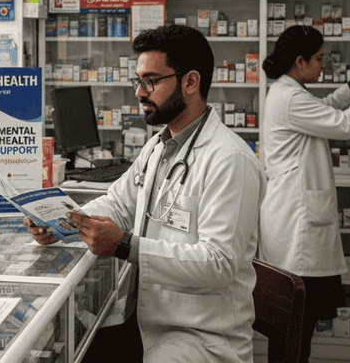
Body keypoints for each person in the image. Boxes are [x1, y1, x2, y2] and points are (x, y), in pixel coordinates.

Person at [27, 25, 266, 362]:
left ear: (191, 82)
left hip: (200, 339)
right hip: (145, 324)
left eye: (150, 81)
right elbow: (118, 203)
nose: (139, 92)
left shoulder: (230, 160)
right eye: (138, 81)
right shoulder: (159, 145)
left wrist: (125, 245)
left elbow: (219, 264)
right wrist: (60, 221)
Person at [258, 25, 350, 362]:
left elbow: (327, 109)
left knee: (294, 327)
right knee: (294, 330)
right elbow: (343, 124)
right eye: (319, 58)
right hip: (296, 229)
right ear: (299, 60)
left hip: (294, 222)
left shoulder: (289, 90)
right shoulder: (289, 97)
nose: (323, 64)